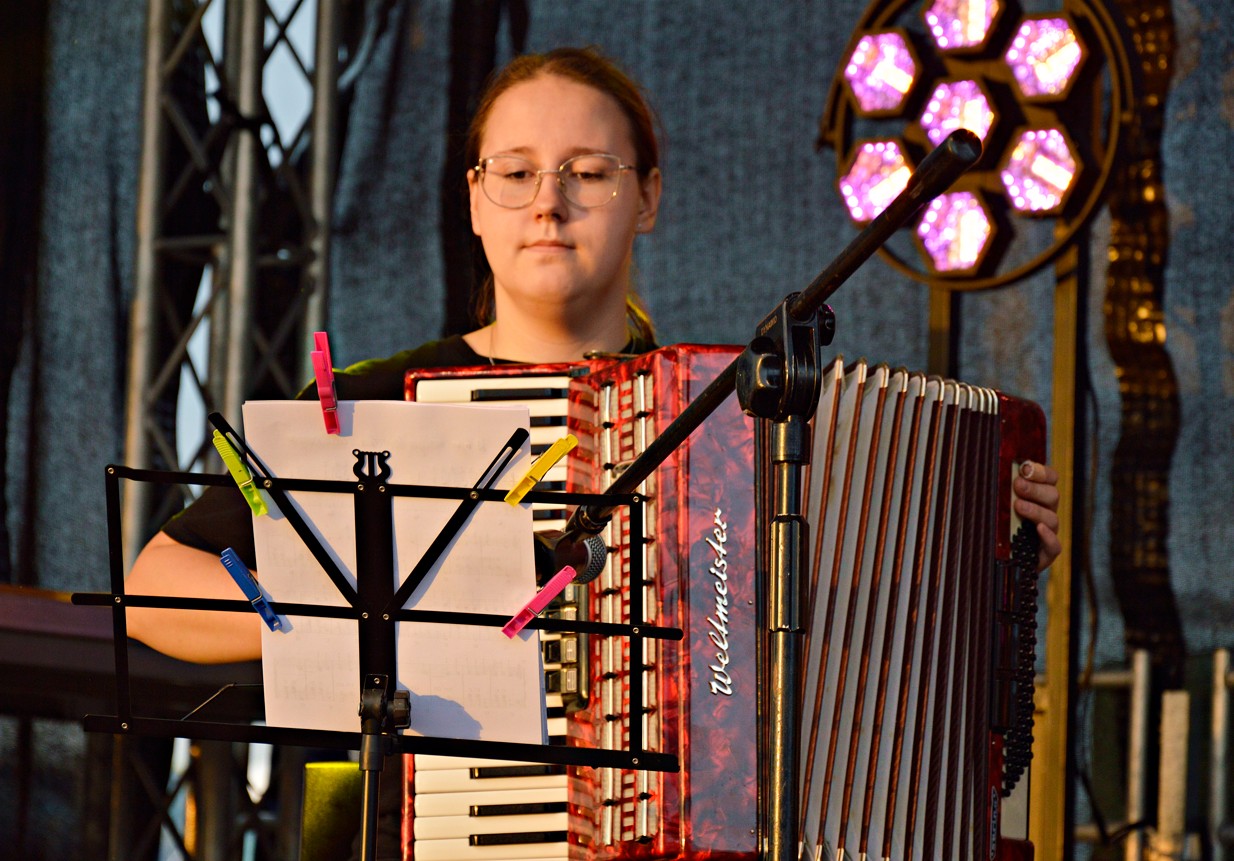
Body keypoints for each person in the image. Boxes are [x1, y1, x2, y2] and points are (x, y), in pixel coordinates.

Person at [125, 44, 1062, 857]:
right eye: (516, 172)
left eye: (590, 170)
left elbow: (878, 648)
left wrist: (997, 551)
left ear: (647, 197)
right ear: (474, 203)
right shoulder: (369, 407)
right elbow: (156, 589)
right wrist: (375, 624)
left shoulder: (737, 426)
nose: (549, 202)